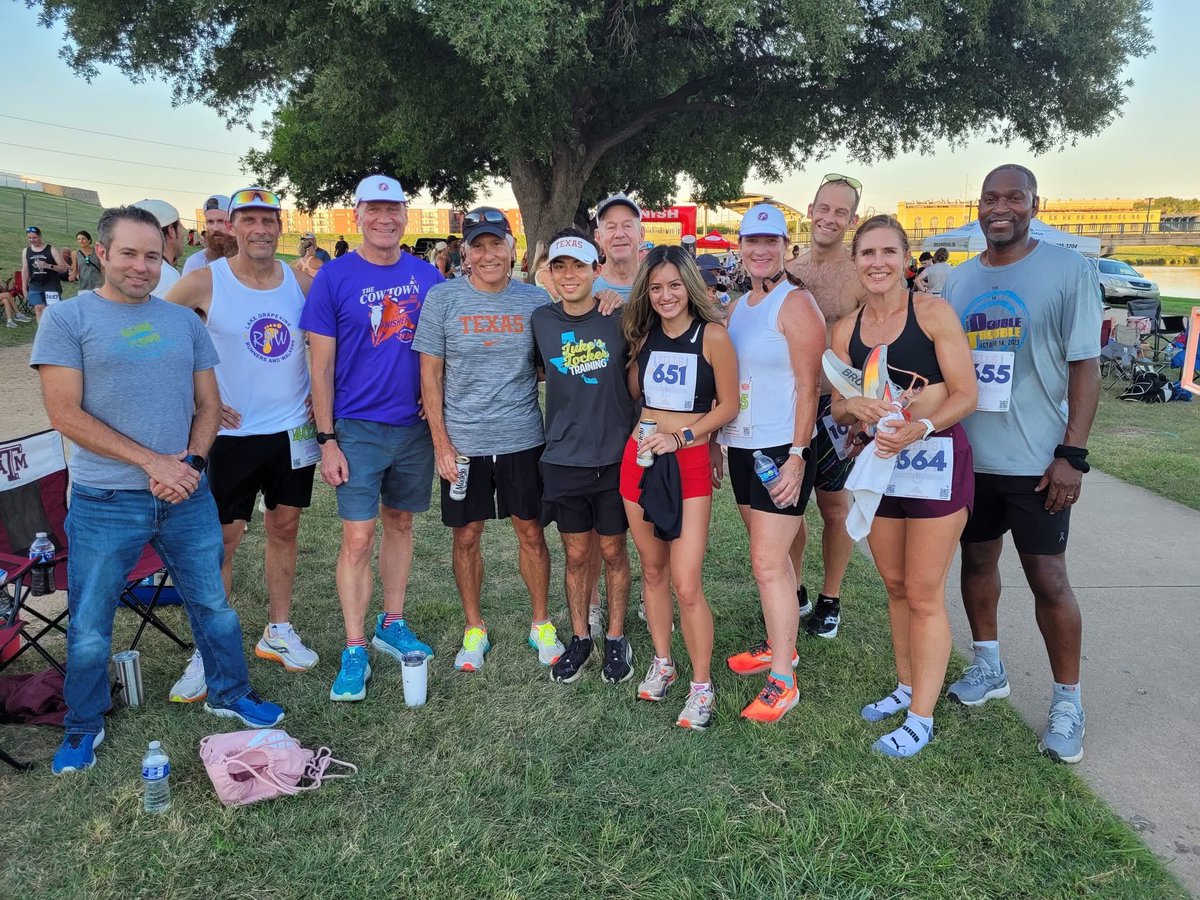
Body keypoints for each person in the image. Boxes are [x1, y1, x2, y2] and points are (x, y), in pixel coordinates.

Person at [31, 205, 285, 775]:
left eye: (151, 255)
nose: (142, 266)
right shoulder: (68, 322)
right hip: (105, 501)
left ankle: (229, 691)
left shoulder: (183, 323)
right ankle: (82, 724)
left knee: (213, 604)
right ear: (101, 254)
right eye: (128, 253)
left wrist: (190, 463)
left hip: (186, 493)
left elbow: (210, 405)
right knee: (92, 623)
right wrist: (155, 463)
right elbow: (65, 414)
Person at [943, 164, 1101, 764]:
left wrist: (1073, 455)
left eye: (1013, 197)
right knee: (977, 560)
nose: (999, 207)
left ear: (1035, 204)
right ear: (978, 208)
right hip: (970, 457)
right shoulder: (958, 283)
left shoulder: (1068, 270)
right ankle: (989, 665)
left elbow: (1085, 365)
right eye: (989, 198)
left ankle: (1068, 700)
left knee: (1048, 578)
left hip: (1038, 461)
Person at [829, 215, 978, 757]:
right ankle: (907, 684)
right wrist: (854, 408)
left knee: (923, 590)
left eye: (888, 251)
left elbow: (966, 394)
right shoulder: (845, 330)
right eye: (867, 252)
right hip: (881, 468)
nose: (877, 262)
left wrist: (921, 425)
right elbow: (838, 406)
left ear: (905, 257)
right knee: (894, 584)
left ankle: (921, 718)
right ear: (854, 261)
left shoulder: (933, 313)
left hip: (935, 462)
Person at [165, 185, 321, 701]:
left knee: (286, 527)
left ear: (281, 227)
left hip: (292, 432)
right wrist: (195, 401)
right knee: (222, 540)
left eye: (268, 220)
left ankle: (278, 631)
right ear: (231, 227)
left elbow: (324, 344)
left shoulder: (300, 282)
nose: (260, 229)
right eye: (248, 220)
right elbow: (160, 335)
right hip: (229, 435)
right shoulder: (204, 282)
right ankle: (208, 648)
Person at [301, 175, 444, 702]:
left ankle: (393, 619)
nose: (385, 219)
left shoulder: (427, 275)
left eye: (394, 210)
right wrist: (327, 439)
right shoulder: (334, 278)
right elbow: (320, 367)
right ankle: (355, 644)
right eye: (374, 210)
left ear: (406, 214)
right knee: (358, 538)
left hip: (414, 427)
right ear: (357, 215)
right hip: (356, 430)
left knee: (400, 522)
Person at [415, 207, 563, 672]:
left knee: (531, 532)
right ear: (465, 252)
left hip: (522, 436)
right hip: (464, 442)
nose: (487, 253)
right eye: (477, 245)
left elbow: (551, 362)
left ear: (511, 247)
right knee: (467, 535)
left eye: (495, 243)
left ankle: (541, 623)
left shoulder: (534, 300)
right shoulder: (443, 300)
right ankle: (473, 628)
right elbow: (430, 376)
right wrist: (441, 443)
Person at [621, 245, 738, 730]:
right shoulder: (642, 336)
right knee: (653, 570)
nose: (666, 295)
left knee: (687, 583)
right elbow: (634, 394)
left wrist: (686, 437)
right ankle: (664, 663)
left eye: (673, 285)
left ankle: (702, 686)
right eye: (656, 287)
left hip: (686, 462)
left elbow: (728, 406)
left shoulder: (712, 335)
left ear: (688, 286)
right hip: (640, 458)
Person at [719, 204, 825, 723]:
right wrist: (722, 439)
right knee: (772, 560)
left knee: (766, 562)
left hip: (782, 450)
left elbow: (811, 387)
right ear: (741, 246)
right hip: (742, 446)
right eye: (752, 241)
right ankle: (781, 644)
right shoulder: (740, 306)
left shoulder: (797, 304)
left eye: (771, 241)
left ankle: (784, 679)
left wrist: (799, 456)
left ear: (787, 246)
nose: (761, 250)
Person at [531, 229, 636, 684]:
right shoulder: (540, 320)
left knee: (613, 550)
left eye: (579, 266)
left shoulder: (621, 319)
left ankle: (615, 638)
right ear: (549, 274)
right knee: (576, 554)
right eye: (560, 267)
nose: (569, 275)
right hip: (564, 458)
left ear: (597, 270)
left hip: (614, 456)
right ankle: (580, 638)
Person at [785, 174, 870, 640]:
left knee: (834, 508)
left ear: (852, 219)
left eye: (842, 212)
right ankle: (794, 588)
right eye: (824, 208)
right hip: (789, 404)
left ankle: (830, 597)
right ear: (811, 210)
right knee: (788, 508)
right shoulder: (789, 268)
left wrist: (863, 411)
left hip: (836, 407)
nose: (830, 218)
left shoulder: (859, 277)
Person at [593, 192, 644, 302]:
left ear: (641, 234)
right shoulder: (586, 286)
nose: (619, 234)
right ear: (598, 237)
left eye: (627, 226)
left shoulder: (657, 283)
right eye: (611, 227)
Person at [131, 199, 184, 295]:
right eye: (181, 227)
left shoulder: (128, 269)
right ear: (171, 230)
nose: (183, 234)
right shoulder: (168, 276)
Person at [21, 226, 68, 320]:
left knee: (52, 311)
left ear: (40, 237)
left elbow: (64, 268)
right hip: (35, 286)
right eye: (29, 238)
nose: (32, 240)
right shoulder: (26, 251)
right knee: (39, 309)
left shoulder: (51, 249)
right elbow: (25, 270)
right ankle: (42, 333)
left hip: (51, 286)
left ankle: (54, 332)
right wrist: (24, 288)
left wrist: (48, 265)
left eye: (34, 238)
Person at [182, 194, 234, 276]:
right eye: (210, 222)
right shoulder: (196, 263)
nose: (215, 228)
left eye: (221, 221)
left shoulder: (252, 258)